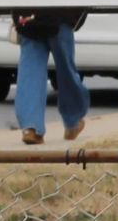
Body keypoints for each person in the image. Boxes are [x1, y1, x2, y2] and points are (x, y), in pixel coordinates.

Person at [11, 8, 90, 144]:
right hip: (59, 15)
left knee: (30, 71)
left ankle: (31, 127)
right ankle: (73, 120)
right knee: (66, 72)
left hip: (27, 17)